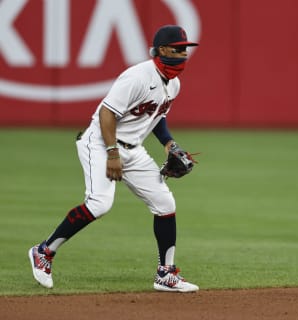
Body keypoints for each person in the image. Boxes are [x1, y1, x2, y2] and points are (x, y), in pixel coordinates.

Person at [28, 25, 199, 293]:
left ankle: (165, 274)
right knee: (100, 204)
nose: (184, 54)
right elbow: (107, 114)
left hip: (133, 148)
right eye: (179, 49)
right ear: (163, 50)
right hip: (99, 142)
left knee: (165, 203)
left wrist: (169, 143)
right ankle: (43, 252)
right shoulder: (137, 77)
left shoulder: (173, 84)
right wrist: (112, 153)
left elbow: (156, 117)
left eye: (186, 49)